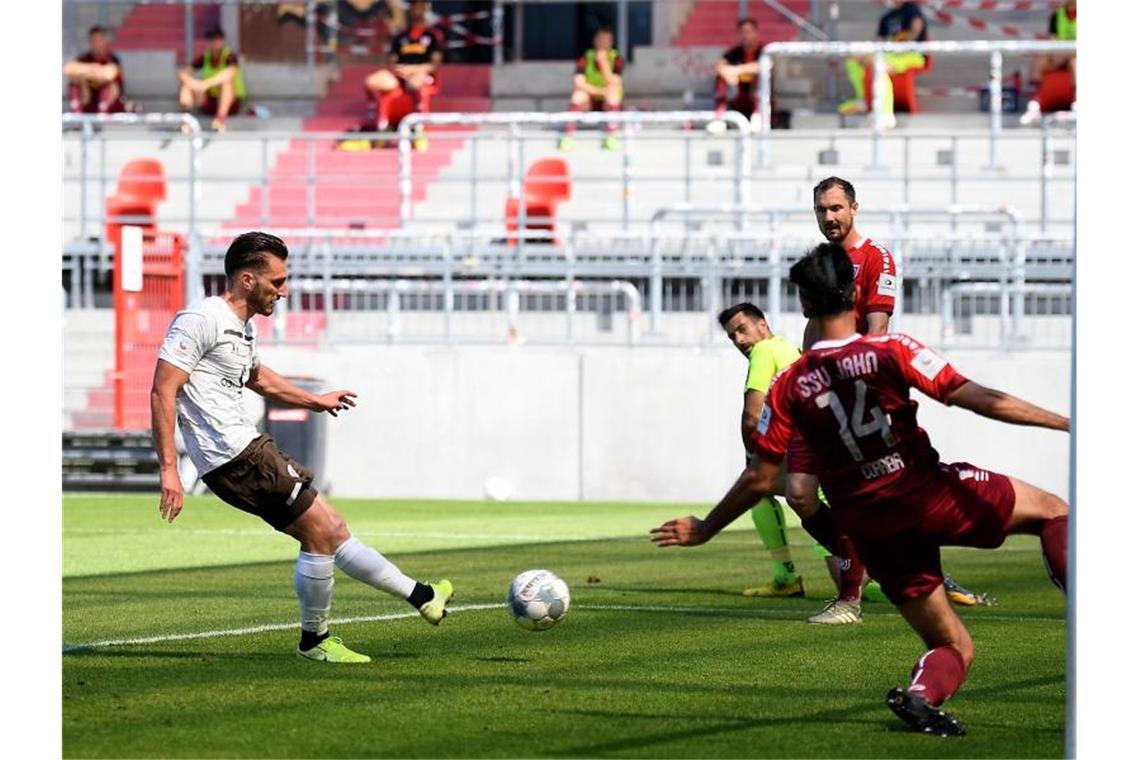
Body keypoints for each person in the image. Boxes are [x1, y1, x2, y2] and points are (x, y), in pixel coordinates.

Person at [652, 242, 1068, 737]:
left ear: (804, 306)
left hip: (873, 531)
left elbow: (761, 477)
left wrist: (705, 528)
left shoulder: (789, 384)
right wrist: (1066, 422)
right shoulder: (892, 349)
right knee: (1053, 512)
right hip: (927, 495)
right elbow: (978, 399)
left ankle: (921, 696)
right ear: (854, 293)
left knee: (953, 645)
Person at [151, 231, 454, 663]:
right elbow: (163, 390)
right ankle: (315, 640)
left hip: (244, 454)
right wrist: (168, 470)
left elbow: (258, 377)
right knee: (321, 532)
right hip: (237, 456)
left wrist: (315, 401)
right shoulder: (202, 318)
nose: (284, 290)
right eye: (277, 281)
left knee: (332, 529)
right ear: (248, 281)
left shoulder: (239, 329)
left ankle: (422, 596)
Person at [793, 176, 989, 623]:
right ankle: (879, 561)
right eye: (822, 210)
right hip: (818, 392)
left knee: (856, 495)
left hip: (858, 393)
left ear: (854, 208)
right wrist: (804, 370)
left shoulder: (875, 258)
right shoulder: (818, 265)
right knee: (800, 494)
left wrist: (851, 380)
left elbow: (877, 331)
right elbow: (814, 326)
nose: (829, 218)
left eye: (836, 209)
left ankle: (850, 598)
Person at [719, 303, 804, 598]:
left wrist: (754, 459)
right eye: (732, 337)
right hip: (813, 446)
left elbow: (752, 416)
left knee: (758, 489)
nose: (739, 340)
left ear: (763, 326)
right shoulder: (790, 349)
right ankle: (865, 579)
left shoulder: (764, 352)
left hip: (800, 452)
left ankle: (789, 576)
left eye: (742, 330)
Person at [361, 0, 443, 150]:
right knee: (372, 81)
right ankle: (380, 125)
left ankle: (418, 129)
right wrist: (402, 70)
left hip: (422, 75)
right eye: (414, 6)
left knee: (415, 83)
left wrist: (416, 70)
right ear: (410, 9)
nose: (417, 10)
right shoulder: (400, 37)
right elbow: (392, 62)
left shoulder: (433, 35)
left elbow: (435, 64)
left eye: (420, 7)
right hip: (400, 74)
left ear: (425, 9)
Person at [839, 0, 929, 130]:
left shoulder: (911, 9)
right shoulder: (887, 17)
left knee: (879, 66)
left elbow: (916, 27)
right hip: (889, 55)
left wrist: (903, 43)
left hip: (910, 54)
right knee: (853, 60)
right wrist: (866, 56)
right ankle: (864, 99)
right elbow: (878, 42)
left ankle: (886, 116)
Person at [559, 26, 624, 152]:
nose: (603, 43)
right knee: (578, 96)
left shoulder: (616, 58)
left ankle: (611, 136)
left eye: (607, 40)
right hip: (590, 100)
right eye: (601, 39)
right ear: (595, 40)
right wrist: (599, 91)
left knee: (614, 97)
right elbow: (579, 82)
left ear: (611, 42)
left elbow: (614, 83)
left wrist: (603, 63)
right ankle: (569, 136)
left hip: (607, 101)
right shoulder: (586, 57)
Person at [178, 26, 246, 133]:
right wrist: (193, 83)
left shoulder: (230, 56)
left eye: (217, 39)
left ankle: (220, 120)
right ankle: (185, 120)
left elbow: (231, 72)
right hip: (210, 102)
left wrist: (206, 84)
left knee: (226, 84)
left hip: (231, 103)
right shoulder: (205, 57)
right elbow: (183, 72)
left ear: (222, 41)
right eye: (211, 40)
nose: (214, 43)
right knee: (186, 85)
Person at [1020, 0, 1076, 126]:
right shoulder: (1057, 15)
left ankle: (1076, 103)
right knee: (1040, 60)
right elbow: (1053, 40)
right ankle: (1034, 105)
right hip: (1060, 54)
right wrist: (1058, 53)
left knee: (1075, 62)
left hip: (1075, 55)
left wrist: (1067, 52)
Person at [712, 18, 763, 131]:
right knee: (720, 78)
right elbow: (718, 66)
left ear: (755, 33)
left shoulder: (763, 51)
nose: (746, 35)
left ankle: (758, 117)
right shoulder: (734, 52)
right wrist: (727, 74)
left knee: (760, 78)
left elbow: (762, 67)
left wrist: (736, 70)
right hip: (738, 95)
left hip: (756, 96)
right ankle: (719, 118)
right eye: (743, 32)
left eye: (749, 31)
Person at [63, 26, 128, 114]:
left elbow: (109, 75)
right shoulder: (85, 58)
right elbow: (68, 69)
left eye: (99, 40)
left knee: (110, 86)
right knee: (74, 84)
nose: (97, 44)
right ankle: (77, 113)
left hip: (107, 101)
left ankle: (103, 111)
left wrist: (86, 75)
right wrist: (92, 69)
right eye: (94, 41)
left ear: (105, 41)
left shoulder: (112, 59)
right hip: (87, 98)